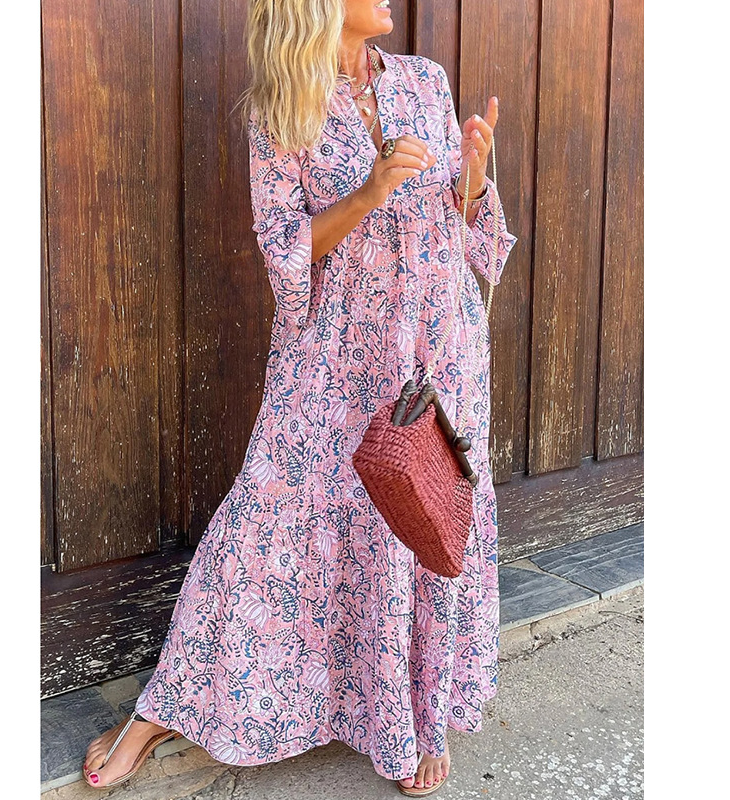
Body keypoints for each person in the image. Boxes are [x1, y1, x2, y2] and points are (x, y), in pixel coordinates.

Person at [82, 0, 517, 795]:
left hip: (437, 344)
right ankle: (162, 709)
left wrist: (476, 177)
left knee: (421, 514)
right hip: (337, 347)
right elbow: (285, 245)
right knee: (269, 513)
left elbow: (460, 226)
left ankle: (416, 714)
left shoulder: (425, 80)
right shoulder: (282, 112)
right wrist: (368, 192)